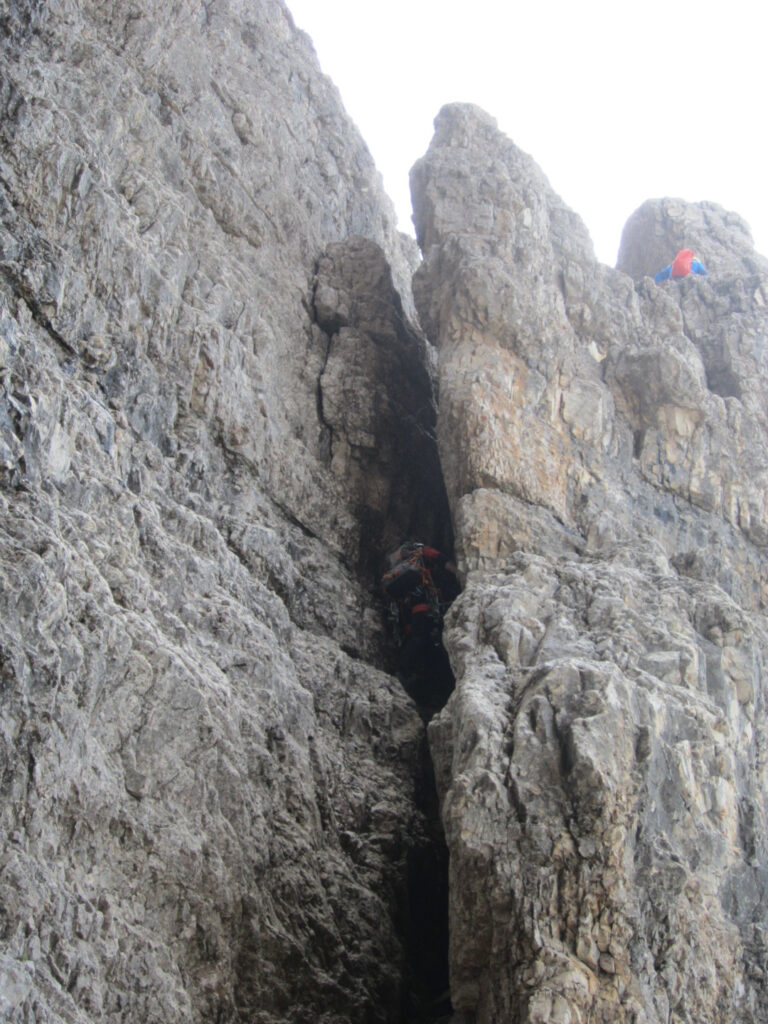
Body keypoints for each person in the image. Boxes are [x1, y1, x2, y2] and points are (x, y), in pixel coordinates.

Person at [382, 542, 458, 706]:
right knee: (425, 639)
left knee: (416, 639)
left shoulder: (400, 559)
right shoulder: (421, 551)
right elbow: (438, 557)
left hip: (406, 611)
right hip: (420, 605)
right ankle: (405, 674)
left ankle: (408, 676)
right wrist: (458, 572)